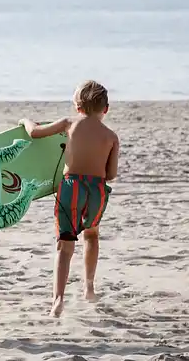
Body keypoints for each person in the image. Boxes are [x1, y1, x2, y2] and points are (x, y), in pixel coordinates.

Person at [19, 80, 119, 317]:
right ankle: (89, 287)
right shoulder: (111, 136)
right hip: (96, 191)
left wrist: (24, 121)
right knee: (92, 236)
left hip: (70, 187)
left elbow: (35, 133)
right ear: (105, 109)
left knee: (65, 245)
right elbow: (112, 175)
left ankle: (58, 300)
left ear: (77, 107)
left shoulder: (69, 124)